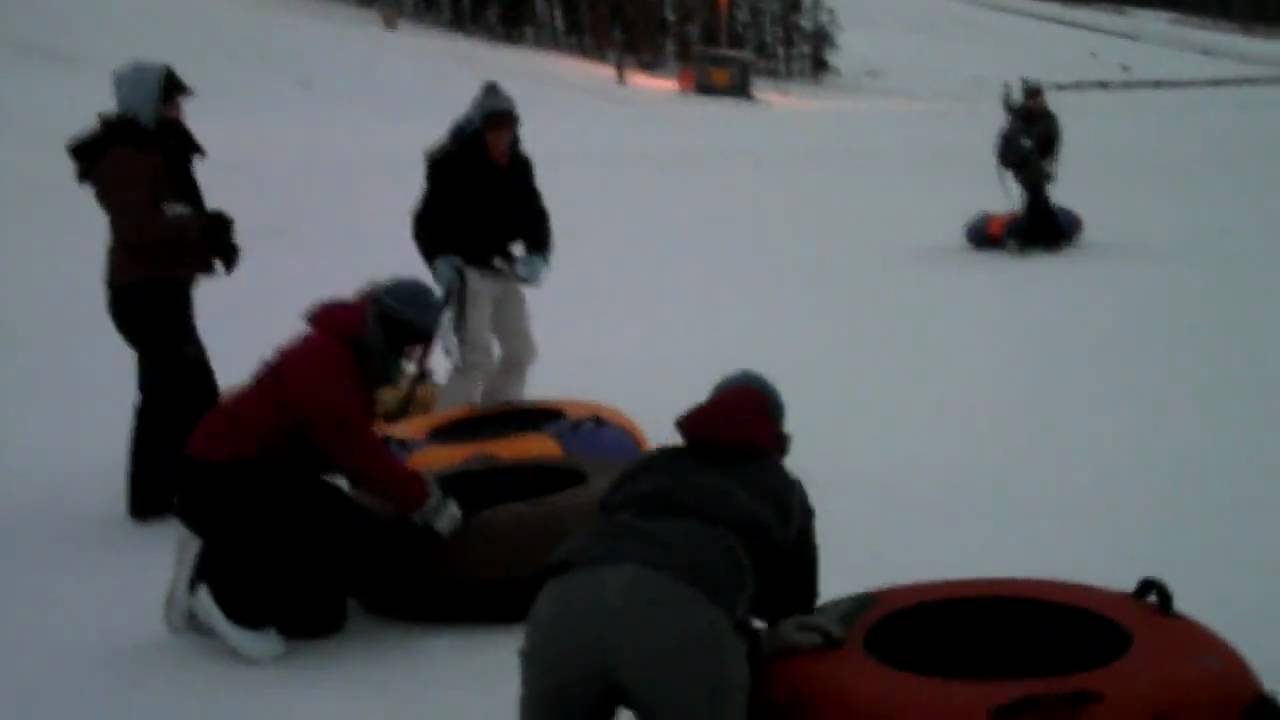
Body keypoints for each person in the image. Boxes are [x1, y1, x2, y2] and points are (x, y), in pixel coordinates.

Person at [163, 278, 467, 662]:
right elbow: (356, 455)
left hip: (272, 474)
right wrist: (426, 502)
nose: (411, 358)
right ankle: (225, 598)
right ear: (392, 330)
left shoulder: (350, 353)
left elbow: (348, 445)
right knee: (346, 535)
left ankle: (214, 554)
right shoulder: (326, 365)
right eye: (411, 346)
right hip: (222, 481)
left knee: (321, 618)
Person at [518, 370, 819, 720]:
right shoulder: (782, 490)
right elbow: (792, 610)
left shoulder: (651, 466)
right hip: (682, 611)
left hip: (565, 603)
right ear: (775, 433)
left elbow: (603, 525)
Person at [68, 61, 240, 522]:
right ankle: (173, 494)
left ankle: (169, 490)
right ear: (147, 104)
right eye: (170, 102)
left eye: (179, 102)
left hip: (158, 289)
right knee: (186, 392)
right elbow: (140, 227)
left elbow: (171, 213)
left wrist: (212, 239)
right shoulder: (126, 156)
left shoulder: (153, 149)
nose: (179, 111)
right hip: (143, 294)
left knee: (170, 391)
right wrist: (201, 227)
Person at [412, 81, 552, 412]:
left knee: (520, 351)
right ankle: (441, 429)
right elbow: (426, 222)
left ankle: (499, 412)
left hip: (503, 269)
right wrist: (440, 261)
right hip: (466, 272)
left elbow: (534, 215)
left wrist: (538, 253)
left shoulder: (519, 165)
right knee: (476, 359)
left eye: (508, 126)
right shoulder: (454, 165)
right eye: (494, 126)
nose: (502, 134)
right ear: (480, 127)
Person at [997, 78, 1063, 249]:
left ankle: (1042, 235)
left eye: (1038, 98)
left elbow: (1048, 144)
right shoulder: (1020, 119)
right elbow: (1009, 142)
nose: (1036, 101)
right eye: (1032, 99)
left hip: (1039, 167)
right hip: (1023, 167)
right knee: (1035, 198)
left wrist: (1044, 162)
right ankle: (1036, 235)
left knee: (1037, 199)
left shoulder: (1048, 120)